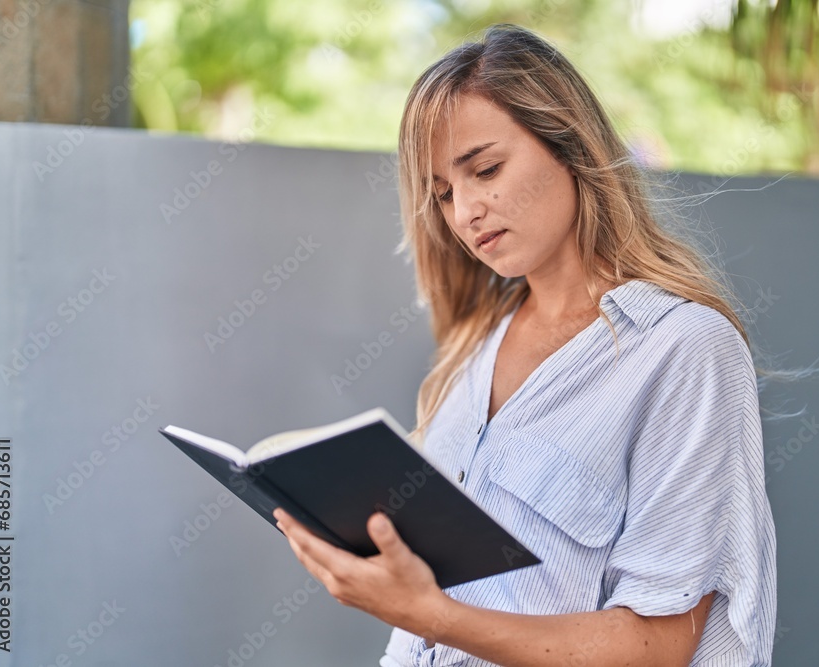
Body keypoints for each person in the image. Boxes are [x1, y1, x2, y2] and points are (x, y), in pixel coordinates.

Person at [274, 23, 786, 667]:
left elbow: (658, 647)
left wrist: (431, 615)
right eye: (444, 194)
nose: (464, 212)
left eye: (485, 169)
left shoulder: (683, 352)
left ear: (568, 144)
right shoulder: (472, 350)